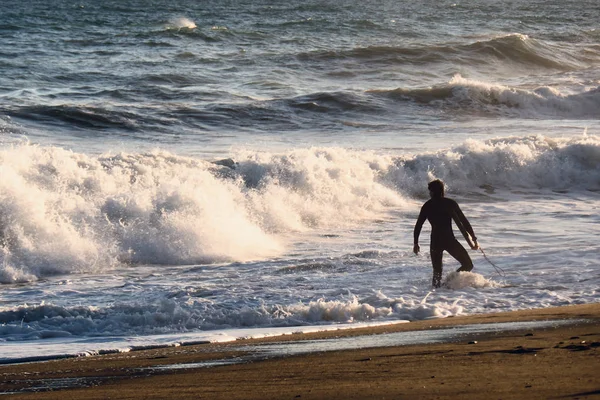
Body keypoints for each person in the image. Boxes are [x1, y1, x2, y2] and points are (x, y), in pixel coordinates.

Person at [413, 179, 479, 288]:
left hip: (435, 242)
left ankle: (436, 295)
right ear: (442, 190)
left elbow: (418, 225)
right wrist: (473, 238)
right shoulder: (449, 204)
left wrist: (416, 243)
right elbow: (464, 222)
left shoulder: (427, 206)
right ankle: (448, 283)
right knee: (468, 264)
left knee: (437, 272)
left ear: (433, 192)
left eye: (430, 192)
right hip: (449, 240)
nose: (429, 194)